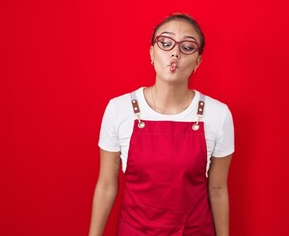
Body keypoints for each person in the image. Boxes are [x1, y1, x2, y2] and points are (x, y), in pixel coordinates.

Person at [89, 13, 234, 236]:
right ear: (151, 52)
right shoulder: (119, 109)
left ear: (198, 61)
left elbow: (217, 189)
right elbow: (107, 184)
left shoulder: (218, 114)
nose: (174, 52)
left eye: (187, 47)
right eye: (165, 43)